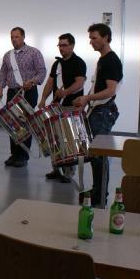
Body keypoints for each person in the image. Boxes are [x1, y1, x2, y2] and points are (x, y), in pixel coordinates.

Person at [73, 23, 122, 208]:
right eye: (90, 38)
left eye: (94, 38)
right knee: (95, 155)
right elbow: (98, 88)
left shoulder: (111, 61)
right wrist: (86, 102)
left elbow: (110, 90)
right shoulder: (103, 60)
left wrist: (87, 98)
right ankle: (97, 192)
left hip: (103, 112)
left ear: (106, 37)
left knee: (99, 156)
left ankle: (101, 197)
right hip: (98, 111)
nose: (91, 42)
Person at [0, 27, 46, 168]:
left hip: (28, 92)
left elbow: (42, 72)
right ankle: (14, 154)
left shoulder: (34, 52)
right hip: (12, 92)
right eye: (12, 37)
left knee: (24, 124)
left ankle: (23, 156)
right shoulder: (7, 55)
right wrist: (0, 89)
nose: (14, 39)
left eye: (16, 36)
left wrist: (33, 81)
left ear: (23, 37)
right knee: (12, 124)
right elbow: (3, 73)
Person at [39, 33, 86, 182]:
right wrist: (43, 99)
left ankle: (68, 172)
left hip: (72, 107)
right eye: (59, 45)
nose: (61, 48)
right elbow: (50, 82)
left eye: (64, 45)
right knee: (55, 139)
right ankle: (56, 168)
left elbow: (80, 82)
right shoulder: (57, 64)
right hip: (57, 107)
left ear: (72, 46)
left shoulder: (78, 62)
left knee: (69, 140)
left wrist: (65, 92)